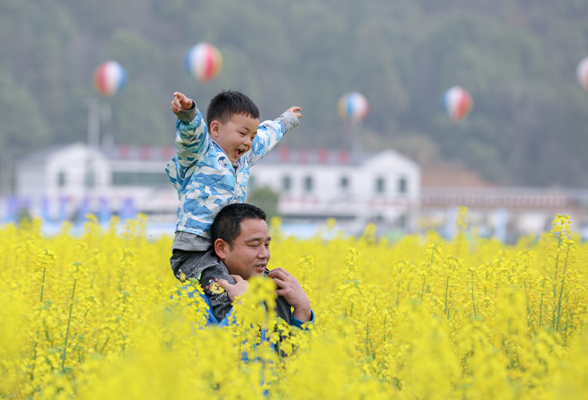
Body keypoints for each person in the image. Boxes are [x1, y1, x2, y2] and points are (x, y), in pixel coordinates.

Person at [166, 91, 302, 322]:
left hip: (227, 247)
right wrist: (189, 115)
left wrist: (285, 121)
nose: (248, 142)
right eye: (242, 134)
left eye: (251, 136)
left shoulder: (243, 159)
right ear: (216, 129)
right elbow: (191, 136)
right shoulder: (201, 153)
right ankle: (230, 333)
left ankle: (283, 339)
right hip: (195, 251)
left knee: (270, 288)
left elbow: (266, 138)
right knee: (224, 290)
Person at [194, 203, 314, 327]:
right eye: (254, 245)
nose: (264, 255)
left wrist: (303, 309)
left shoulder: (271, 293)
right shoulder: (192, 300)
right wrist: (243, 307)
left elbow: (287, 346)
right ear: (222, 248)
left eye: (267, 245)